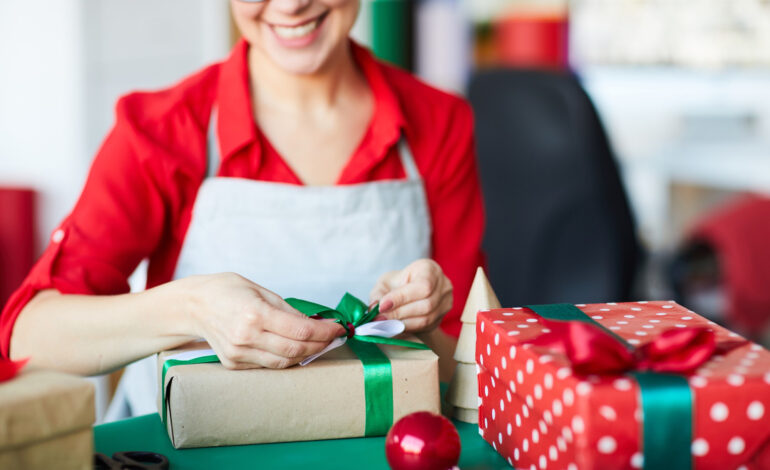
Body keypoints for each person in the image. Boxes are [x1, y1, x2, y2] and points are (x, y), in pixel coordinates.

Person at [0, 0, 484, 416]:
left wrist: (421, 325)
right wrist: (192, 308)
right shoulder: (160, 129)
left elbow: (470, 373)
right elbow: (27, 336)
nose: (291, 5)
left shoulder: (440, 123)